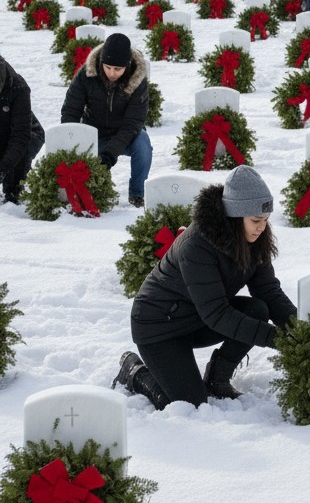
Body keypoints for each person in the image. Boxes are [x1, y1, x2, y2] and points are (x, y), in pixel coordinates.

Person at [112, 165, 297, 409]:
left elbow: (268, 291)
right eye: (255, 220)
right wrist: (278, 339)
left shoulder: (254, 239)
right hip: (158, 326)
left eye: (265, 220)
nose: (262, 227)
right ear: (234, 215)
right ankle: (135, 372)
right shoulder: (197, 245)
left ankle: (217, 379)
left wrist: (299, 330)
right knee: (189, 404)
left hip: (197, 318)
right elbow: (217, 314)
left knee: (258, 310)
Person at [60, 32, 152, 207]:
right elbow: (71, 110)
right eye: (108, 67)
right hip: (93, 134)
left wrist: (109, 155)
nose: (112, 73)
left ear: (128, 65)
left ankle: (137, 195)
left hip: (124, 134)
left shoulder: (137, 80)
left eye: (118, 69)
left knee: (143, 142)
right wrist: (71, 139)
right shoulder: (86, 75)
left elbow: (133, 123)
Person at [0, 54, 45, 205]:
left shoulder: (18, 88)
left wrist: (3, 169)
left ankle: (14, 192)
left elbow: (21, 136)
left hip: (27, 135)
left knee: (12, 185)